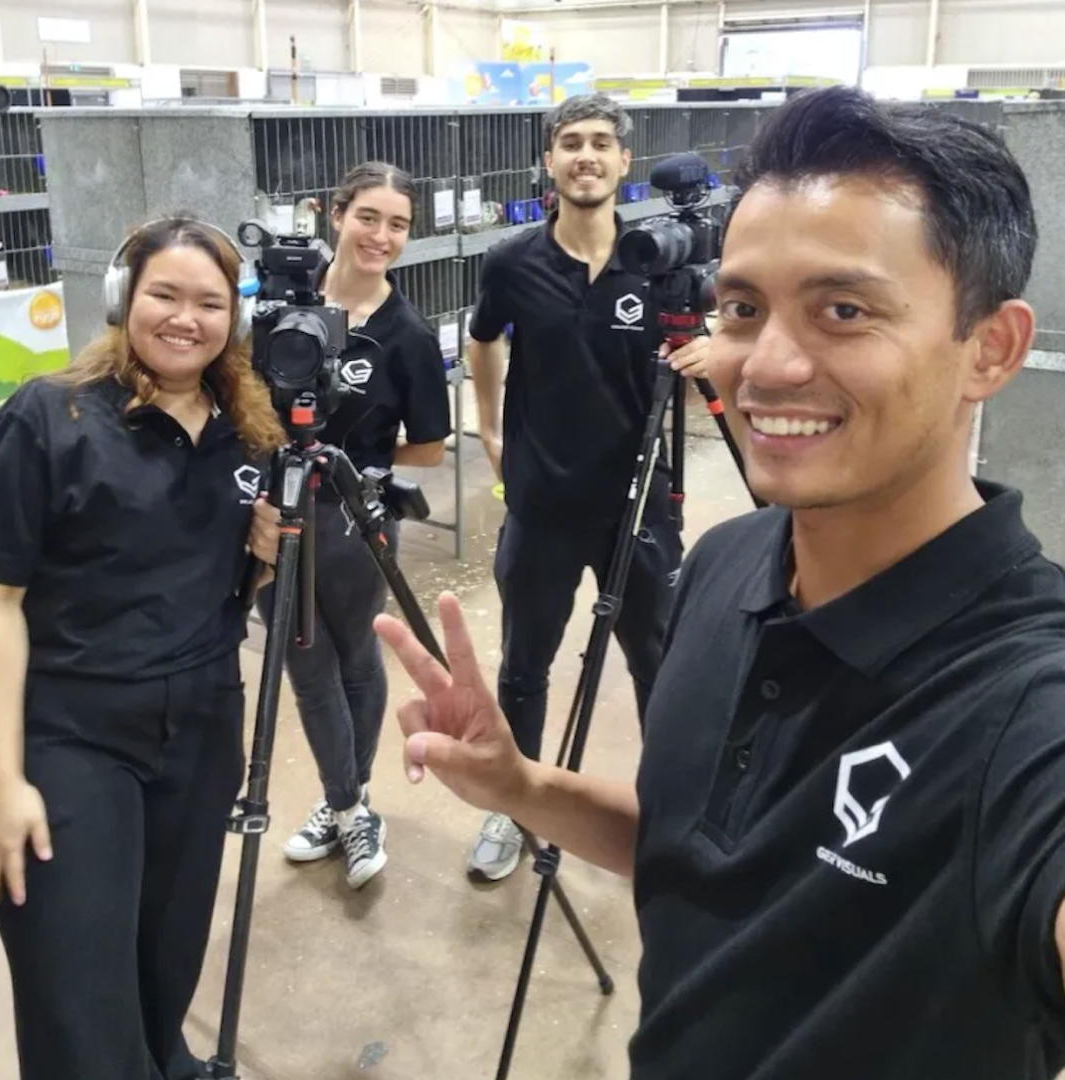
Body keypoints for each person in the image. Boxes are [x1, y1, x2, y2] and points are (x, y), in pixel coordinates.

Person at [375, 86, 1065, 1079]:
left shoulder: (1026, 701)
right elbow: (690, 851)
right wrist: (522, 788)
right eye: (743, 309)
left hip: (631, 512)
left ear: (990, 348)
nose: (767, 365)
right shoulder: (728, 561)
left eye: (843, 310)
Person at [0, 216, 286, 1080]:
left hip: (201, 727)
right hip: (70, 734)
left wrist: (263, 557)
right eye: (165, 295)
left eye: (209, 303)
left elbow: (220, 588)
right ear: (123, 298)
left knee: (161, 974)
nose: (186, 318)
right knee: (81, 1014)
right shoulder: (50, 415)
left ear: (234, 317)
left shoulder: (247, 431)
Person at [466, 93, 710, 882]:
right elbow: (482, 340)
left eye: (601, 142)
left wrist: (716, 354)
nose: (586, 156)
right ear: (549, 160)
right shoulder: (513, 262)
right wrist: (491, 432)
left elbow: (720, 337)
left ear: (623, 161)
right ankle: (516, 810)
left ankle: (666, 811)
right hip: (540, 504)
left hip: (637, 505)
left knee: (656, 663)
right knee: (523, 667)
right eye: (571, 142)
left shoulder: (660, 263)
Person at [257, 161, 451, 889]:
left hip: (352, 514)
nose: (381, 235)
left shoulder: (407, 334)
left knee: (356, 656)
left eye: (398, 224)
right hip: (272, 512)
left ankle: (349, 798)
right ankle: (346, 805)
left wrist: (352, 460)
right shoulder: (279, 307)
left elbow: (429, 447)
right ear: (336, 215)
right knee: (304, 662)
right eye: (368, 216)